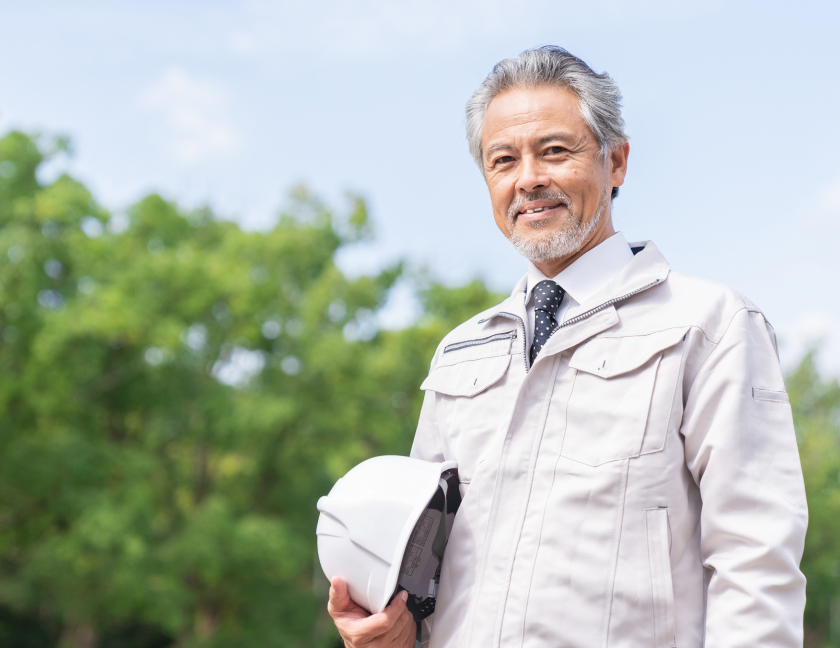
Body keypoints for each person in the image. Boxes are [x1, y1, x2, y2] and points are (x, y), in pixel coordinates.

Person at [327, 46, 808, 648]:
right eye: (503, 160)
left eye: (554, 150)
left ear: (616, 162)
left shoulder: (708, 325)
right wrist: (387, 628)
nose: (528, 177)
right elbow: (418, 556)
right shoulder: (460, 351)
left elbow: (756, 559)